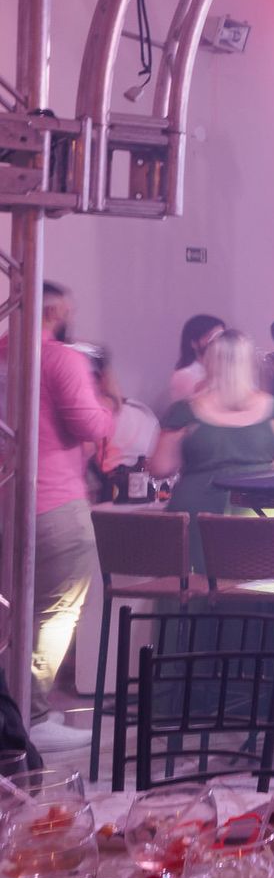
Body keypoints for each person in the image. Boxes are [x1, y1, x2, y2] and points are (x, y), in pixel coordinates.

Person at [0, 284, 116, 750]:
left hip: (5, 496)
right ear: (59, 311)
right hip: (51, 498)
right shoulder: (60, 358)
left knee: (8, 613)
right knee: (55, 610)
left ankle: (8, 711)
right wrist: (107, 406)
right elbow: (90, 425)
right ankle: (31, 715)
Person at [150, 330, 274, 568]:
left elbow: (160, 467)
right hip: (260, 508)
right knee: (260, 584)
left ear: (209, 363)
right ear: (250, 365)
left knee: (195, 586)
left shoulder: (184, 412)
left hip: (197, 511)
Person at [167, 314, 226, 403]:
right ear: (194, 343)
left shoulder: (223, 369)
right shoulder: (184, 375)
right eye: (212, 337)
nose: (218, 342)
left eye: (221, 336)